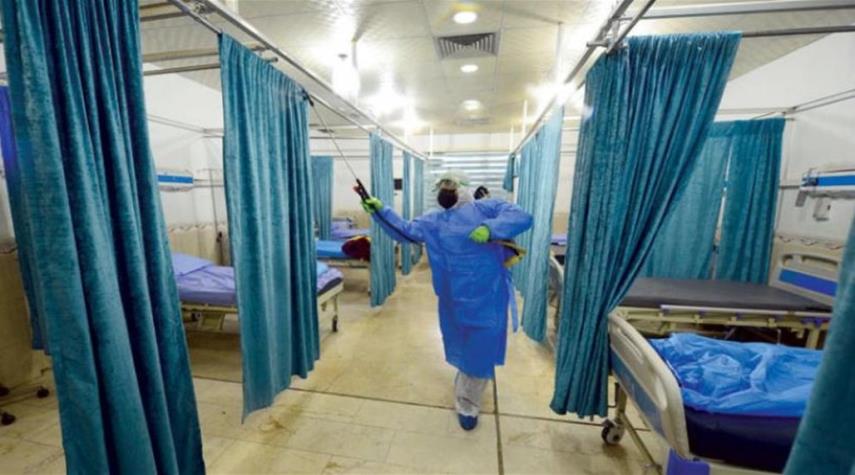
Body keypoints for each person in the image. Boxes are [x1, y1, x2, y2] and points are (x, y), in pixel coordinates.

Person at [361, 172, 532, 430]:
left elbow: (522, 216)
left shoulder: (487, 209)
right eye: (442, 187)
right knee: (462, 344)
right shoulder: (434, 220)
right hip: (453, 298)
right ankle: (467, 380)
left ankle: (468, 404)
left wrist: (491, 228)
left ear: (464, 188)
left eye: (451, 186)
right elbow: (406, 232)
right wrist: (380, 210)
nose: (446, 191)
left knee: (481, 347)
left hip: (488, 296)